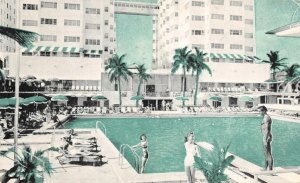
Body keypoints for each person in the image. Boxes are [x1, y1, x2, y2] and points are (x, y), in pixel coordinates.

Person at [258, 105, 273, 171]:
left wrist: (265, 139)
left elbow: (266, 129)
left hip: (266, 136)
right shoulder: (265, 117)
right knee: (265, 153)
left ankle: (270, 170)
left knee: (268, 154)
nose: (259, 113)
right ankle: (265, 168)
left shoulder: (266, 118)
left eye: (260, 111)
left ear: (264, 111)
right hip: (266, 136)